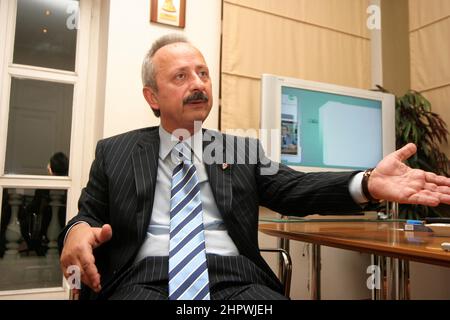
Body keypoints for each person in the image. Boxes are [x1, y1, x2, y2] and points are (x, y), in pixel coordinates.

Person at [59, 34, 450, 300]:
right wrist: (75, 232)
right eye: (181, 76)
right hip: (144, 283)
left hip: (238, 286)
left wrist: (367, 183)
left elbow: (295, 190)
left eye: (203, 73)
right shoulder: (116, 152)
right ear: (152, 96)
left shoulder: (240, 149)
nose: (198, 83)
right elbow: (88, 214)